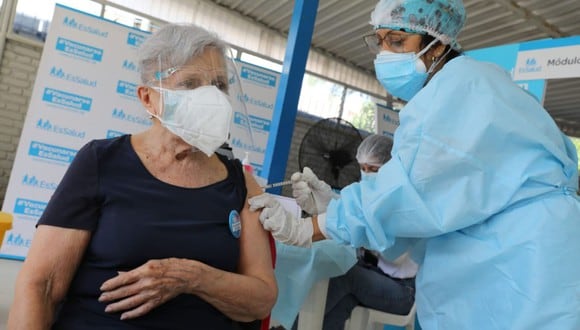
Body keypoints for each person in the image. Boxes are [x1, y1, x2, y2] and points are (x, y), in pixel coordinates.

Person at [252, 0, 580, 328]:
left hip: (520, 265)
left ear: (437, 44)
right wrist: (336, 207)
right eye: (379, 42)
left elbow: (407, 189)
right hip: (526, 253)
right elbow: (420, 211)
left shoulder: (454, 91)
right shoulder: (477, 82)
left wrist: (306, 228)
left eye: (397, 41)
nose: (385, 55)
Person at [8, 23, 277, 330]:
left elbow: (262, 298)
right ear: (148, 99)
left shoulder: (240, 183)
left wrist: (191, 277)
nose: (211, 98)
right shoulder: (101, 161)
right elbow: (41, 286)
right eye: (190, 84)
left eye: (219, 85)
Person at [323, 134, 417, 330]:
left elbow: (394, 255)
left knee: (344, 275)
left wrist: (359, 234)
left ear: (390, 167)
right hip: (378, 276)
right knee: (341, 301)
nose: (366, 175)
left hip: (403, 291)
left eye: (373, 169)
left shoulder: (402, 203)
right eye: (363, 168)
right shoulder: (371, 198)